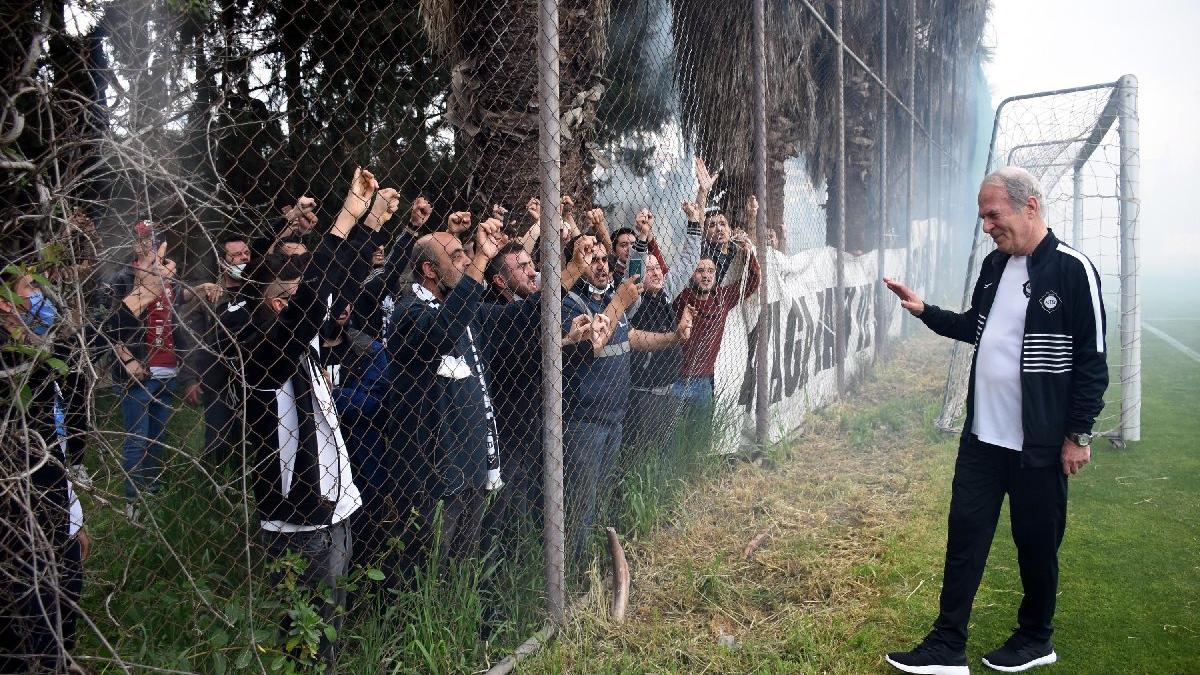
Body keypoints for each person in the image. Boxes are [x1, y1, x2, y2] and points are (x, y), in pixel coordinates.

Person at [882, 167, 1108, 675]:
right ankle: (946, 646)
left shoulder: (1073, 270)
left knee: (1036, 544)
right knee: (965, 535)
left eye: (993, 214)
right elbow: (974, 327)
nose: (986, 225)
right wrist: (925, 311)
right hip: (983, 439)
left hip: (1041, 447)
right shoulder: (994, 265)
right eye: (983, 216)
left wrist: (1079, 435)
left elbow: (1093, 362)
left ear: (1030, 207)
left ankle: (1035, 638)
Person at [235, 167, 380, 672]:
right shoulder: (262, 354)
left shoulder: (302, 345)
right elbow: (313, 302)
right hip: (299, 519)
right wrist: (342, 221)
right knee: (304, 639)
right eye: (300, 297)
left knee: (331, 627)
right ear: (279, 301)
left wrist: (370, 226)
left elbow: (339, 283)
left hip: (334, 504)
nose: (320, 310)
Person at [560, 234, 693, 564]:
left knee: (603, 495)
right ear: (575, 266)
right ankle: (572, 574)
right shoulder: (571, 306)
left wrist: (674, 337)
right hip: (584, 422)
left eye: (605, 259)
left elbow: (632, 338)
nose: (603, 265)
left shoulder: (608, 300)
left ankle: (597, 560)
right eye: (592, 259)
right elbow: (595, 344)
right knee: (581, 503)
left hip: (614, 418)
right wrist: (618, 303)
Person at [0, 269, 89, 673]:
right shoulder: (14, 370)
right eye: (31, 288)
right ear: (6, 303)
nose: (42, 297)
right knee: (31, 616)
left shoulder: (38, 360)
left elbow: (53, 445)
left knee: (65, 594)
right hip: (25, 522)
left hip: (54, 495)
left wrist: (74, 516)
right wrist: (136, 299)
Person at [102, 234, 197, 521]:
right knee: (137, 439)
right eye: (143, 242)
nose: (149, 248)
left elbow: (179, 301)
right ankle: (132, 499)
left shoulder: (167, 277)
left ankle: (153, 490)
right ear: (134, 245)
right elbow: (108, 324)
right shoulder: (122, 278)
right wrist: (128, 358)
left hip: (167, 370)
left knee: (158, 436)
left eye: (153, 242)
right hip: (139, 374)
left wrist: (201, 289)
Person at [623, 199, 705, 457]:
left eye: (658, 267)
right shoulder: (633, 300)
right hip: (642, 396)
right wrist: (641, 238)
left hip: (669, 390)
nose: (657, 273)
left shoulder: (665, 293)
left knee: (664, 458)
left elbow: (688, 262)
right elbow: (633, 271)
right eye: (650, 270)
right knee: (641, 459)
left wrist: (693, 221)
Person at [672, 200, 761, 435]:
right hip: (675, 379)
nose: (707, 275)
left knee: (700, 435)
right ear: (691, 274)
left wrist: (749, 254)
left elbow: (752, 281)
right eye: (700, 270)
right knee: (670, 438)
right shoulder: (681, 295)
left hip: (704, 378)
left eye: (711, 271)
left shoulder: (723, 295)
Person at [182, 230, 253, 472]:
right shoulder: (210, 297)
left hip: (252, 376)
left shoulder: (257, 290)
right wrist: (191, 379)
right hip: (218, 377)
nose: (244, 259)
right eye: (236, 255)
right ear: (222, 262)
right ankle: (212, 481)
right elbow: (191, 339)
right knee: (219, 436)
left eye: (246, 253)